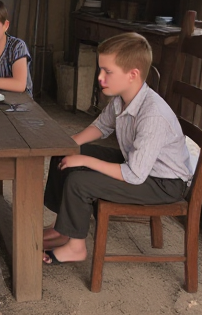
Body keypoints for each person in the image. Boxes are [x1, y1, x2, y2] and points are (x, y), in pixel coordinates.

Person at [42, 32, 193, 264]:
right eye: (100, 69)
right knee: (65, 154)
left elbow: (134, 174)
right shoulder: (121, 98)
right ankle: (62, 228)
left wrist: (85, 161)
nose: (100, 77)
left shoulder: (153, 114)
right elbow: (102, 126)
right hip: (137, 165)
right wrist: (68, 144)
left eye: (107, 71)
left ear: (133, 74)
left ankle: (75, 247)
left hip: (163, 183)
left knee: (79, 181)